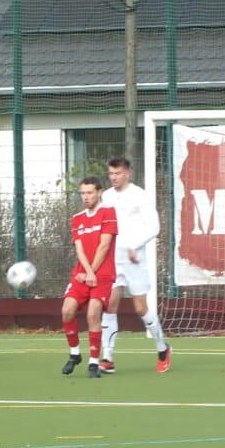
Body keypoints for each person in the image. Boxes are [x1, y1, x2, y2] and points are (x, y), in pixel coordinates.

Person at [100, 156, 171, 374]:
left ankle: (162, 347)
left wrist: (134, 245)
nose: (114, 178)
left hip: (134, 261)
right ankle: (108, 357)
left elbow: (154, 227)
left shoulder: (140, 196)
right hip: (112, 260)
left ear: (127, 173)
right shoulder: (106, 196)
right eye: (111, 174)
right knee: (109, 305)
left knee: (140, 308)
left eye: (118, 174)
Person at [61, 176, 117, 378]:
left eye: (90, 192)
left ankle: (94, 362)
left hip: (103, 274)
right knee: (67, 311)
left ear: (99, 192)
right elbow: (79, 248)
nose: (86, 197)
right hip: (82, 273)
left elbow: (104, 245)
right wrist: (86, 273)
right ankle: (75, 353)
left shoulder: (108, 213)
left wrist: (92, 273)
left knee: (93, 314)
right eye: (83, 193)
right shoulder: (77, 218)